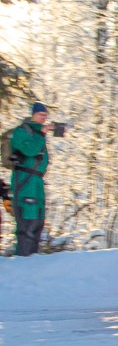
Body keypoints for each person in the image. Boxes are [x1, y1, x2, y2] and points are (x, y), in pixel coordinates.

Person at [9, 102, 51, 256]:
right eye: (40, 115)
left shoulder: (37, 133)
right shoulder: (21, 132)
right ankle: (23, 261)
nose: (43, 118)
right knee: (28, 221)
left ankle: (33, 261)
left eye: (45, 116)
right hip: (25, 181)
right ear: (32, 114)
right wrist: (41, 135)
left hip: (36, 182)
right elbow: (30, 150)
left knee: (38, 221)